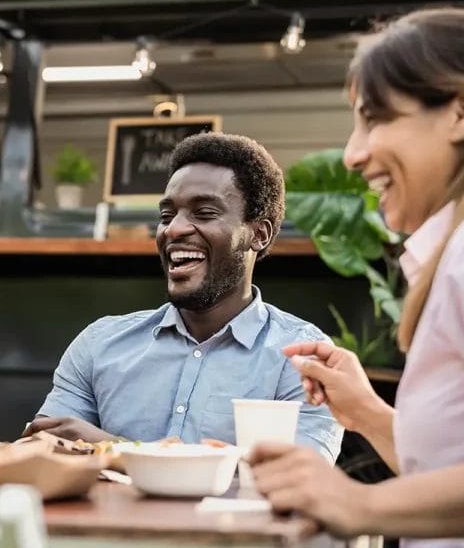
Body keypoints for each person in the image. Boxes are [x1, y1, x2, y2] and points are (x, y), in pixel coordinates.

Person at [249, 8, 464, 545]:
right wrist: (370, 415)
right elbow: (463, 481)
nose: (352, 154)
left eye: (375, 118)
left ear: (463, 112)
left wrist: (360, 502)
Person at [26, 133, 344, 462]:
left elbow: (298, 481)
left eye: (204, 213)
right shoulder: (98, 345)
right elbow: (43, 456)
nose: (173, 230)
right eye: (166, 216)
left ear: (258, 234)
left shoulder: (301, 361)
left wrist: (118, 450)